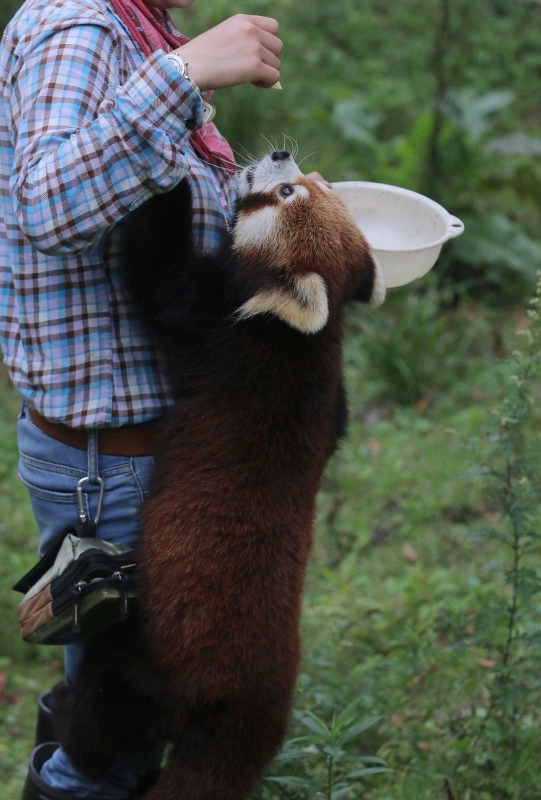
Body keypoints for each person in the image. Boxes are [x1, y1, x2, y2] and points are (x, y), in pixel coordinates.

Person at [0, 0, 286, 797]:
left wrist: (282, 211)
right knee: (117, 742)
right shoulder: (81, 27)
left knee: (103, 708)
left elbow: (145, 203)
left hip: (140, 457)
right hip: (112, 469)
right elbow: (47, 203)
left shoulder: (134, 28)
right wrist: (184, 74)